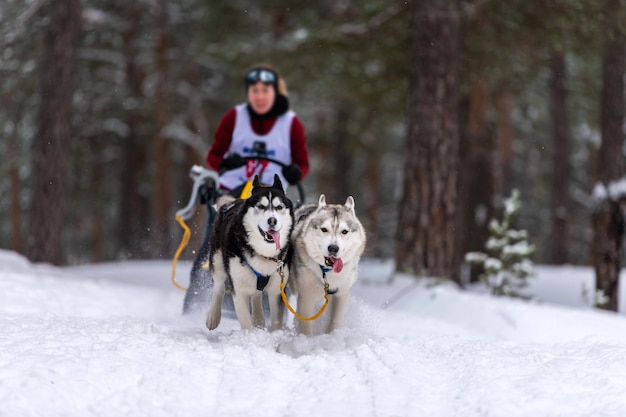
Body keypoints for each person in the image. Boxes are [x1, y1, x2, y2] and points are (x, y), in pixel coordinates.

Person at [206, 65, 309, 196]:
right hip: (231, 194)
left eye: (265, 91)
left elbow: (302, 164)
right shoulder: (234, 117)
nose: (259, 97)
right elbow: (213, 156)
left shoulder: (291, 123)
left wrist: (296, 173)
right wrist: (225, 163)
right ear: (248, 93)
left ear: (275, 93)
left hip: (272, 197)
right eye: (255, 91)